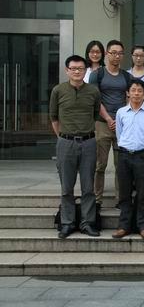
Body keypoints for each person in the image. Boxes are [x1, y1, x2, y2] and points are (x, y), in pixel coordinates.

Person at [50, 55, 101, 239]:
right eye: (73, 68)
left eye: (80, 68)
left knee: (88, 187)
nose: (77, 71)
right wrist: (63, 138)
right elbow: (54, 118)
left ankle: (87, 223)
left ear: (85, 70)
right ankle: (67, 223)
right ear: (67, 70)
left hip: (88, 142)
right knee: (66, 187)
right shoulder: (58, 90)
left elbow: (95, 114)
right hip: (66, 142)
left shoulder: (93, 91)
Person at [112, 79, 144, 239]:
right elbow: (119, 135)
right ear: (128, 93)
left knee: (143, 192)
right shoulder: (121, 112)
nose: (136, 94)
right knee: (124, 192)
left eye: (140, 91)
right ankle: (123, 226)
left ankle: (143, 226)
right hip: (124, 155)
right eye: (133, 90)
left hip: (143, 155)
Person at [89, 39, 132, 205]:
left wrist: (121, 119)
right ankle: (96, 200)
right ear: (107, 54)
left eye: (120, 53)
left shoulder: (126, 76)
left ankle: (120, 199)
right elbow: (95, 99)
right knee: (100, 164)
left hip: (121, 125)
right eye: (114, 53)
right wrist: (108, 118)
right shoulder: (97, 74)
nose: (117, 56)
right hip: (102, 123)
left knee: (120, 165)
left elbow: (129, 99)